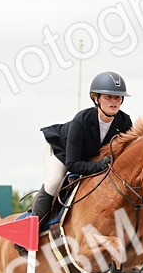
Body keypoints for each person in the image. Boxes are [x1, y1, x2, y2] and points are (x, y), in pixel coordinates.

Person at [34, 71, 133, 221]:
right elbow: (73, 165)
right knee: (54, 181)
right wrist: (100, 165)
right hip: (60, 150)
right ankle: (31, 226)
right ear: (96, 98)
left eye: (117, 97)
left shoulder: (125, 123)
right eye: (108, 97)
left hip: (89, 158)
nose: (114, 101)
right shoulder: (81, 121)